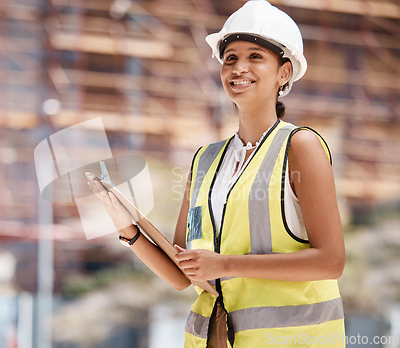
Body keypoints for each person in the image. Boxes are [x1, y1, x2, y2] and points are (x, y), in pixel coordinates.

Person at [87, 0, 345, 347]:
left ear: (283, 73)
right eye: (230, 58)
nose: (239, 67)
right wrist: (127, 229)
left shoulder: (301, 147)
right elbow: (183, 274)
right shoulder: (205, 160)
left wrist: (224, 265)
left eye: (255, 56)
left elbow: (330, 261)